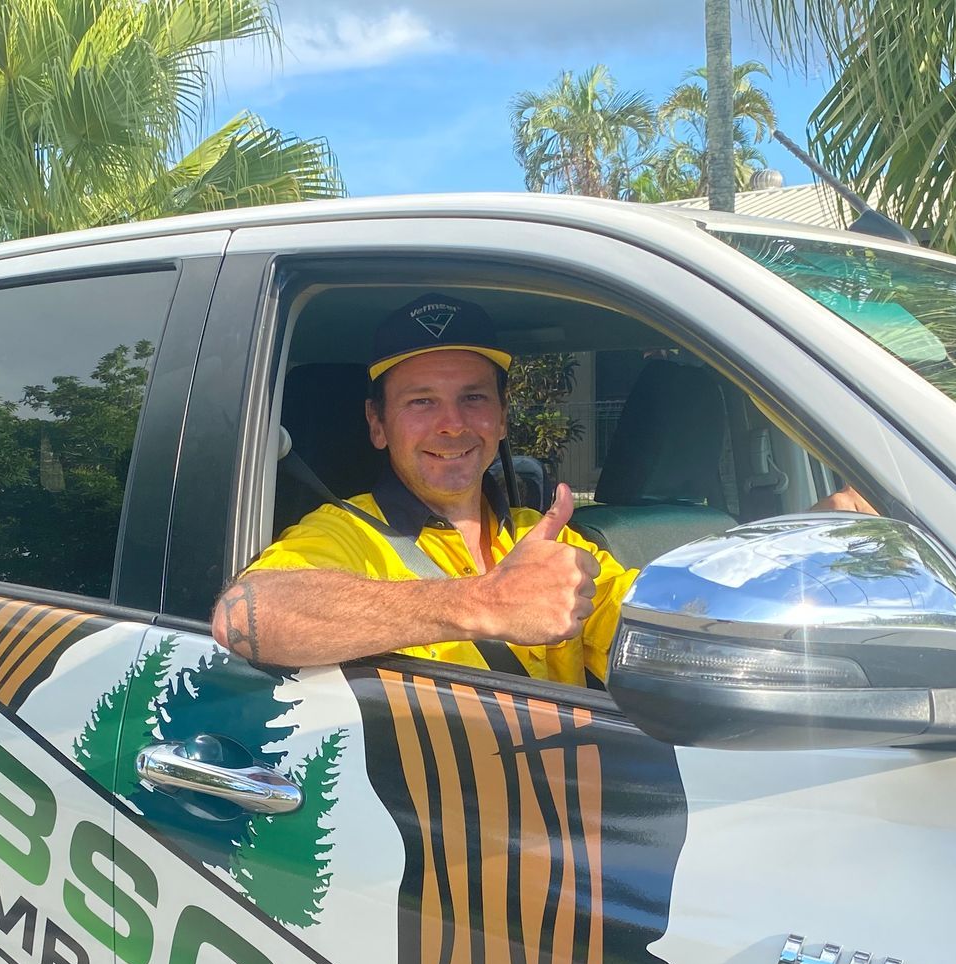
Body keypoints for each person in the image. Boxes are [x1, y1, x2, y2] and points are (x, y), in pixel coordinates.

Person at [210, 292, 869, 682]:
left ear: (501, 419)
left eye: (474, 398)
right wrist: (481, 603)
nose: (452, 424)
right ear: (377, 425)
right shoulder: (346, 534)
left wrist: (806, 538)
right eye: (420, 402)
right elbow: (245, 616)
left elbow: (667, 624)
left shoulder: (539, 538)